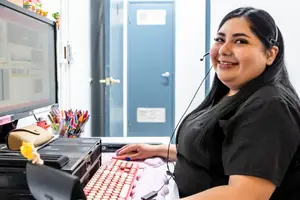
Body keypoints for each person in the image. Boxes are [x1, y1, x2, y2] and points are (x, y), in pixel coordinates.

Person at [115, 6, 300, 200]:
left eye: (240, 41)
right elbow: (211, 151)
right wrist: (155, 150)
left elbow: (245, 194)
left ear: (270, 54)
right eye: (220, 39)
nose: (224, 49)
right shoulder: (231, 93)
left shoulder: (270, 106)